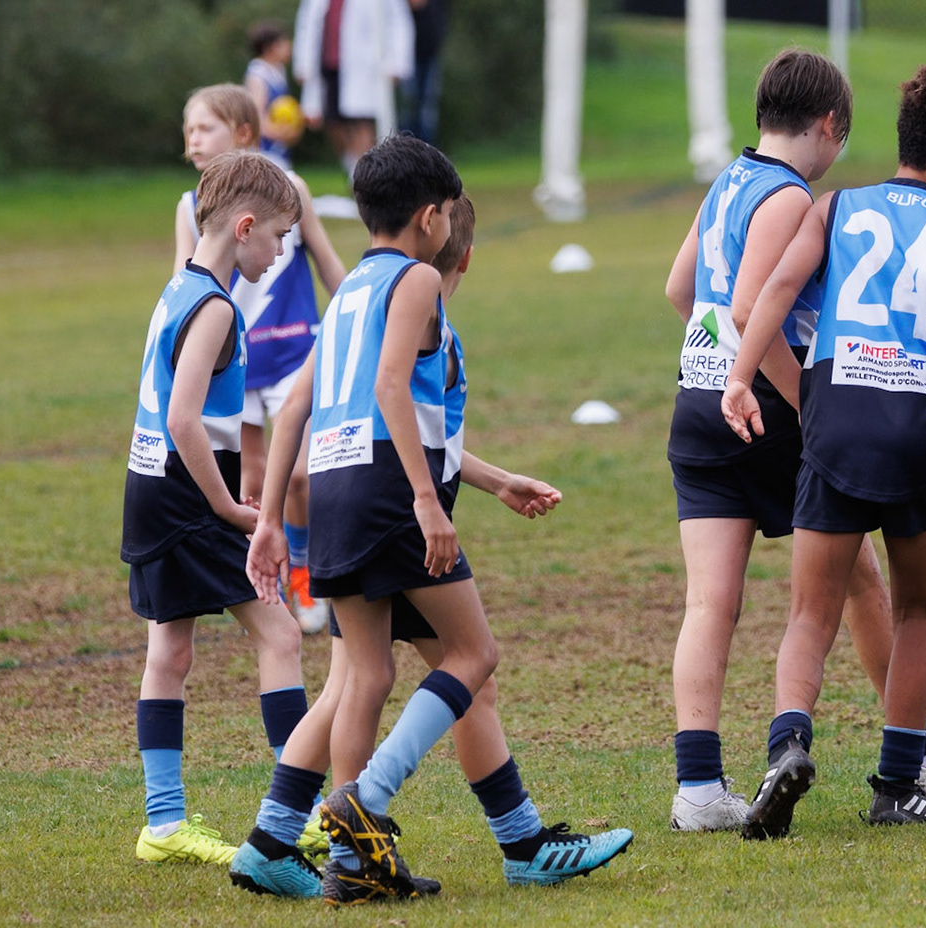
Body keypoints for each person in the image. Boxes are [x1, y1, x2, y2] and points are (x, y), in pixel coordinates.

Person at [228, 137, 633, 901]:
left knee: (365, 675)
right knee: (474, 653)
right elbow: (391, 387)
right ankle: (367, 800)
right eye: (447, 210)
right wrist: (423, 498)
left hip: (338, 490)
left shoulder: (349, 290)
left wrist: (274, 518)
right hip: (388, 494)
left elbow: (299, 406)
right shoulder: (414, 279)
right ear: (430, 217)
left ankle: (350, 863)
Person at [723, 62, 926, 839]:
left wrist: (739, 378)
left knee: (810, 612)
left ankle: (786, 747)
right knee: (918, 609)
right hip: (918, 427)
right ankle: (896, 782)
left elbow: (773, 294)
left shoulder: (835, 207)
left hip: (835, 417)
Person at [664, 48, 926, 834]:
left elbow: (682, 290)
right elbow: (752, 304)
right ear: (829, 125)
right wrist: (807, 403)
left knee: (709, 602)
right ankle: (918, 751)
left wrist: (716, 359)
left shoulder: (728, 181)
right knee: (857, 582)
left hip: (700, 402)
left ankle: (698, 787)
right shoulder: (791, 196)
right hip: (772, 407)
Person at [123, 150, 310, 867]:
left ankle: (164, 823)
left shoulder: (179, 286)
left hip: (151, 486)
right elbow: (183, 417)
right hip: (191, 495)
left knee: (169, 653)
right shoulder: (215, 308)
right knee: (281, 634)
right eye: (280, 237)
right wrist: (229, 506)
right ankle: (299, 812)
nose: (282, 252)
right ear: (245, 227)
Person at [175, 85, 347, 635]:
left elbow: (327, 262)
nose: (193, 140)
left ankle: (304, 577)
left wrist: (363, 315)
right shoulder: (190, 206)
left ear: (244, 134)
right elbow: (184, 285)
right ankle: (264, 578)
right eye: (188, 130)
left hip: (296, 351)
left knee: (297, 476)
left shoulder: (289, 189)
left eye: (205, 128)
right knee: (250, 479)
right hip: (237, 363)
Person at [293, 0, 414, 179]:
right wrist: (302, 62)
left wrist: (397, 63)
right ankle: (355, 171)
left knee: (362, 119)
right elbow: (306, 23)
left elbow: (399, 21)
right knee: (332, 121)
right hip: (328, 62)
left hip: (364, 65)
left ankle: (363, 177)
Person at [389, 0, 449, 147]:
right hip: (406, 53)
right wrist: (407, 1)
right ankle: (406, 150)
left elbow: (444, 6)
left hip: (430, 48)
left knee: (428, 104)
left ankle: (427, 151)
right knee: (409, 103)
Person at [244, 22, 302, 169]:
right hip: (265, 149)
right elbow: (257, 117)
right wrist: (283, 133)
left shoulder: (278, 70)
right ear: (269, 47)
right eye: (283, 43)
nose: (289, 46)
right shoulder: (258, 75)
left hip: (278, 145)